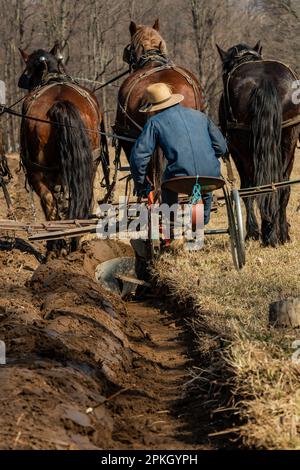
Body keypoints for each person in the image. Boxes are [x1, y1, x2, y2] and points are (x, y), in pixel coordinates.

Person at [130, 82, 228, 225]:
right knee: (204, 184)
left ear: (154, 107)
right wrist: (207, 159)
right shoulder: (201, 116)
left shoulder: (154, 123)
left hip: (179, 180)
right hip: (212, 176)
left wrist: (140, 185)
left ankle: (171, 221)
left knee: (166, 183)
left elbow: (139, 157)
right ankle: (202, 220)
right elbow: (221, 147)